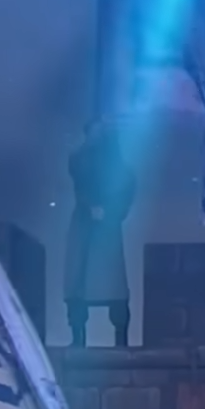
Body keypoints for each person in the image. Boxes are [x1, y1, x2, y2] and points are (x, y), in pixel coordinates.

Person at [65, 120, 137, 347]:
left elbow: (126, 191)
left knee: (113, 287)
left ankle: (121, 342)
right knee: (77, 284)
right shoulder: (81, 160)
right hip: (84, 226)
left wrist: (109, 211)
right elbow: (77, 170)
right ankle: (78, 340)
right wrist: (90, 206)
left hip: (107, 230)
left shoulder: (122, 169)